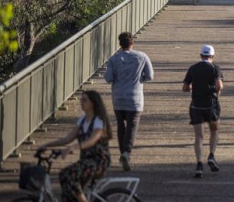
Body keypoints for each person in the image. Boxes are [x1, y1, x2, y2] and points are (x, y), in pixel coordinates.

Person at [40, 90, 112, 202]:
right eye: (81, 99)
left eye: (84, 100)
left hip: (99, 162)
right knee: (64, 176)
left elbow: (92, 140)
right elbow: (68, 138)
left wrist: (72, 147)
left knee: (70, 175)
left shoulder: (99, 121)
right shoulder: (82, 120)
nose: (81, 102)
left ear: (93, 103)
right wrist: (47, 145)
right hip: (85, 161)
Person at [104, 31, 153, 171]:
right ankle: (126, 152)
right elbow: (150, 76)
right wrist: (139, 80)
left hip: (118, 97)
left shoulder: (114, 59)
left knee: (121, 126)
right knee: (132, 126)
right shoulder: (142, 57)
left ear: (120, 44)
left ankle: (122, 152)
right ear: (132, 43)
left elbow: (108, 78)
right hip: (135, 98)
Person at [182, 45, 224, 177]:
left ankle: (199, 164)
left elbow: (185, 88)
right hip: (211, 105)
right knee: (214, 130)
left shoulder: (193, 68)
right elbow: (219, 86)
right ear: (212, 56)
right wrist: (214, 90)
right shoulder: (215, 68)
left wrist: (194, 88)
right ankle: (211, 155)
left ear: (201, 55)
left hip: (196, 106)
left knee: (199, 137)